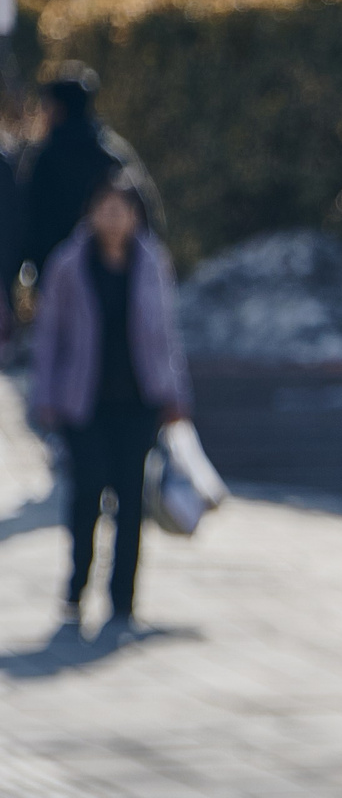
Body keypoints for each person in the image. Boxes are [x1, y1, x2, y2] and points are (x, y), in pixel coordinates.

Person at [30, 175, 189, 634]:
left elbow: (167, 335)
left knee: (131, 501)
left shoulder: (152, 262)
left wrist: (177, 393)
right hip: (84, 402)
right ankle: (76, 586)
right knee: (86, 496)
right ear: (91, 212)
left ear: (137, 215)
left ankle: (123, 599)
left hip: (139, 401)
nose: (114, 217)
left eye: (123, 208)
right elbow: (49, 338)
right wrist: (45, 398)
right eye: (106, 207)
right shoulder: (68, 264)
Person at [18, 65, 158, 292]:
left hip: (54, 279)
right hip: (114, 279)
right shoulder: (113, 153)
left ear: (58, 109)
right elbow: (145, 218)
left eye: (46, 107)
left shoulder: (43, 159)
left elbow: (27, 223)